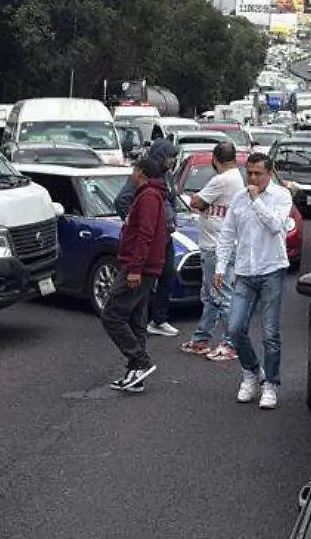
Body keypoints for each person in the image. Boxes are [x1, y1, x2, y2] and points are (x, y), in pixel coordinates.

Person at [214, 152, 293, 410]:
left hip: (272, 269)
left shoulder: (281, 196)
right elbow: (227, 234)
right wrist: (220, 267)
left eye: (258, 173)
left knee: (270, 333)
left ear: (269, 174)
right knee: (235, 328)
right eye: (249, 173)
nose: (253, 178)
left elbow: (276, 225)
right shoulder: (238, 198)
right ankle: (251, 372)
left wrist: (256, 200)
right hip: (245, 271)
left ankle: (271, 384)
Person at [100, 158, 167, 393]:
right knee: (136, 319)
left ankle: (140, 360)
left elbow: (145, 233)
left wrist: (135, 267)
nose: (131, 174)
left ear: (141, 173)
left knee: (112, 315)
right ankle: (136, 374)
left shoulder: (148, 196)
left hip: (139, 267)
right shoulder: (151, 195)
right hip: (144, 267)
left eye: (134, 170)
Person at [180, 142, 243, 362]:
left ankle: (232, 343)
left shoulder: (221, 179)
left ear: (215, 159)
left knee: (222, 296)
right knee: (211, 296)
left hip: (216, 247)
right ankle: (201, 339)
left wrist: (200, 202)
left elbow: (196, 201)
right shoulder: (236, 177)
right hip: (221, 244)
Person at [115, 138, 180, 337]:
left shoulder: (167, 176)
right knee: (144, 279)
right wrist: (131, 219)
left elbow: (171, 198)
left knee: (168, 274)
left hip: (166, 235)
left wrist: (173, 217)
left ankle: (158, 319)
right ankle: (135, 322)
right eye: (170, 157)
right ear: (160, 156)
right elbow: (122, 200)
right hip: (151, 236)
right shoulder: (145, 176)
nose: (172, 161)